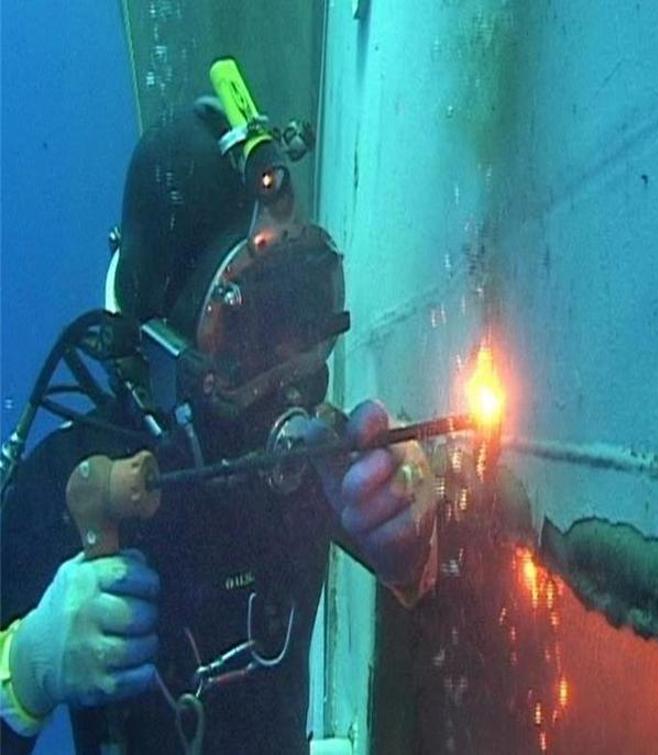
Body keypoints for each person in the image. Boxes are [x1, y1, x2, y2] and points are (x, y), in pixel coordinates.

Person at [0, 95, 437, 755]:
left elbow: (446, 595)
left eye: (303, 302)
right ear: (166, 336)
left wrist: (407, 544)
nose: (290, 361)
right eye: (247, 325)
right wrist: (27, 668)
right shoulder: (68, 479)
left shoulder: (318, 466)